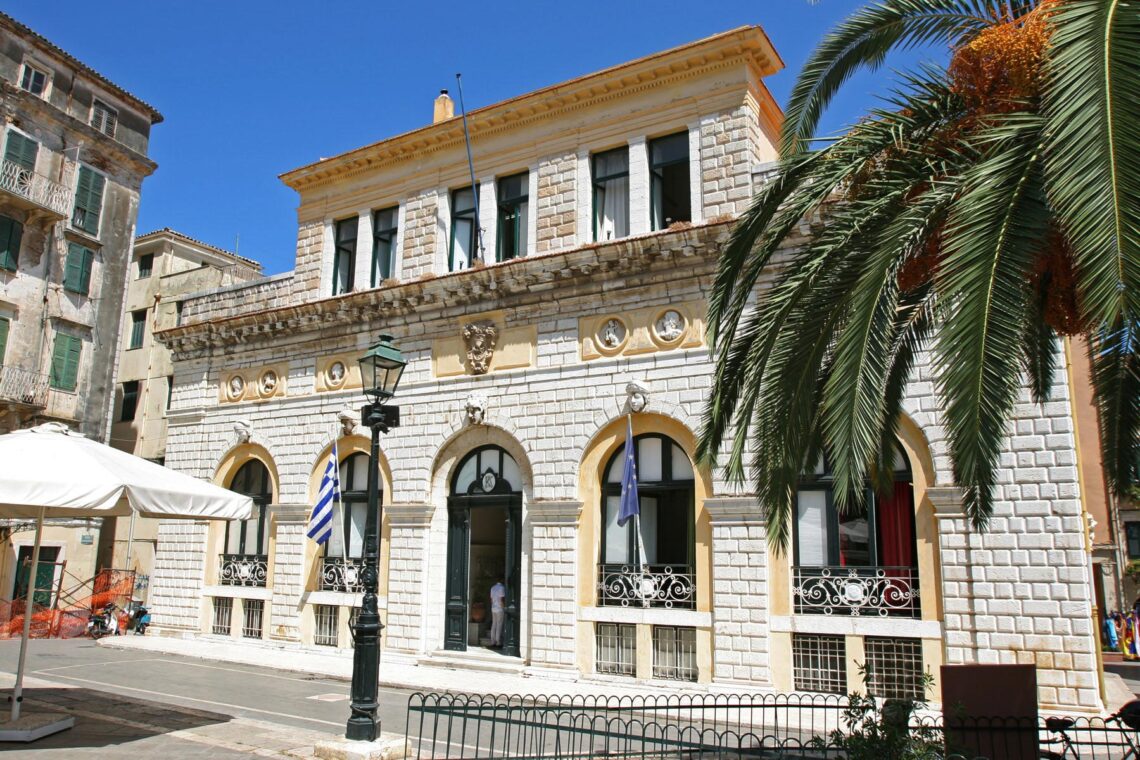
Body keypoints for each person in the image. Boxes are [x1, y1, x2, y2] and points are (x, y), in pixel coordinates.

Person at [489, 580, 506, 649]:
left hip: (493, 608)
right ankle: (498, 642)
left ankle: (493, 641)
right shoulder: (502, 587)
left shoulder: (492, 587)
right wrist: (503, 607)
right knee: (499, 624)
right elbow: (501, 599)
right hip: (499, 608)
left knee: (494, 624)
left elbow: (491, 599)